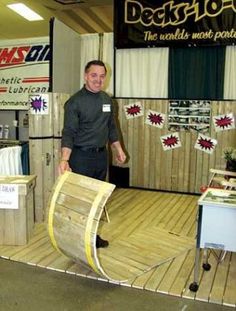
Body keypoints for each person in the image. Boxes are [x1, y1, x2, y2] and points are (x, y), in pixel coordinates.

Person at [58, 60, 126, 248]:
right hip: (80, 158)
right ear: (86, 76)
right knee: (81, 201)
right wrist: (65, 159)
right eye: (94, 75)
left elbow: (111, 127)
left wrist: (118, 149)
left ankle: (92, 237)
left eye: (102, 76)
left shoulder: (107, 100)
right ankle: (77, 238)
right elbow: (69, 132)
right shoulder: (75, 102)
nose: (98, 79)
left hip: (101, 157)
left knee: (97, 201)